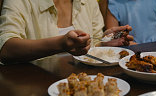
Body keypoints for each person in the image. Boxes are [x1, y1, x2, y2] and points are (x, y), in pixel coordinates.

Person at [0, 0, 132, 64]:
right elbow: (6, 49)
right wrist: (61, 44)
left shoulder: (88, 2)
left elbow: (94, 43)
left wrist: (105, 43)